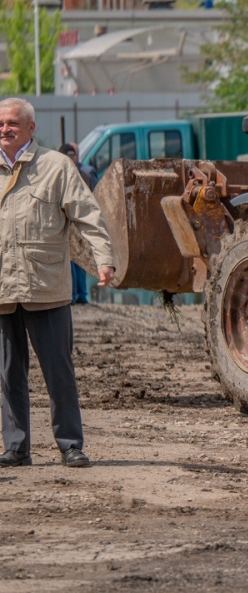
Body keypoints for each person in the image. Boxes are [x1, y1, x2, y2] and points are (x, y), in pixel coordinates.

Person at [0, 98, 116, 468]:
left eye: (13, 123)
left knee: (58, 373)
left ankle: (70, 444)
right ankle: (16, 448)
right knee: (7, 375)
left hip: (45, 288)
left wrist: (104, 258)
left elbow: (88, 216)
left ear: (31, 129)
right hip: (2, 290)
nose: (5, 128)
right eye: (0, 123)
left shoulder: (55, 167)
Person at [58, 142, 98, 304]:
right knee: (78, 259)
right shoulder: (85, 173)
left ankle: (74, 295)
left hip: (72, 220)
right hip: (80, 220)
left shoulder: (63, 173)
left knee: (72, 258)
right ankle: (81, 294)